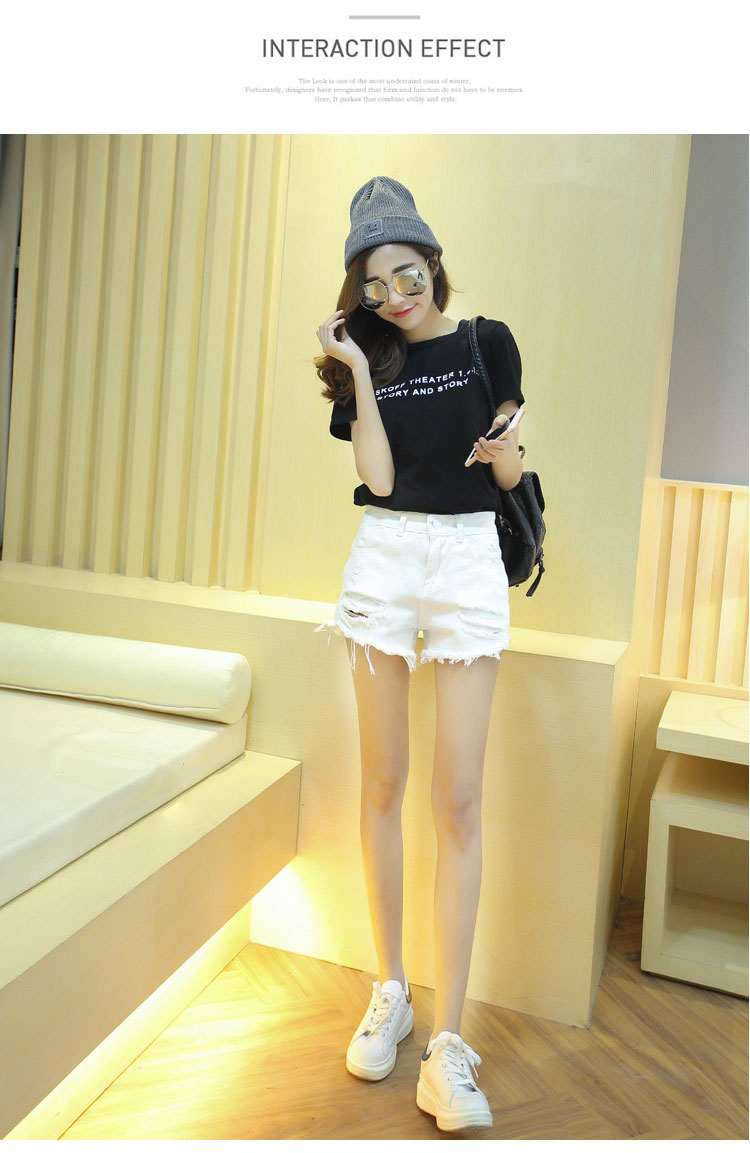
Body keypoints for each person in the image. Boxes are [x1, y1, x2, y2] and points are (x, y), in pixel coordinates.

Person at [314, 176, 525, 1133]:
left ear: (433, 264)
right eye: (376, 286)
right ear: (359, 294)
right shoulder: (375, 358)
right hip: (387, 559)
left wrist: (508, 447)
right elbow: (381, 478)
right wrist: (360, 370)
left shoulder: (487, 342)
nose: (396, 296)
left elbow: (509, 475)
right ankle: (391, 989)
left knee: (460, 798)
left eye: (408, 275)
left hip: (469, 560)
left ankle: (448, 1043)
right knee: (381, 783)